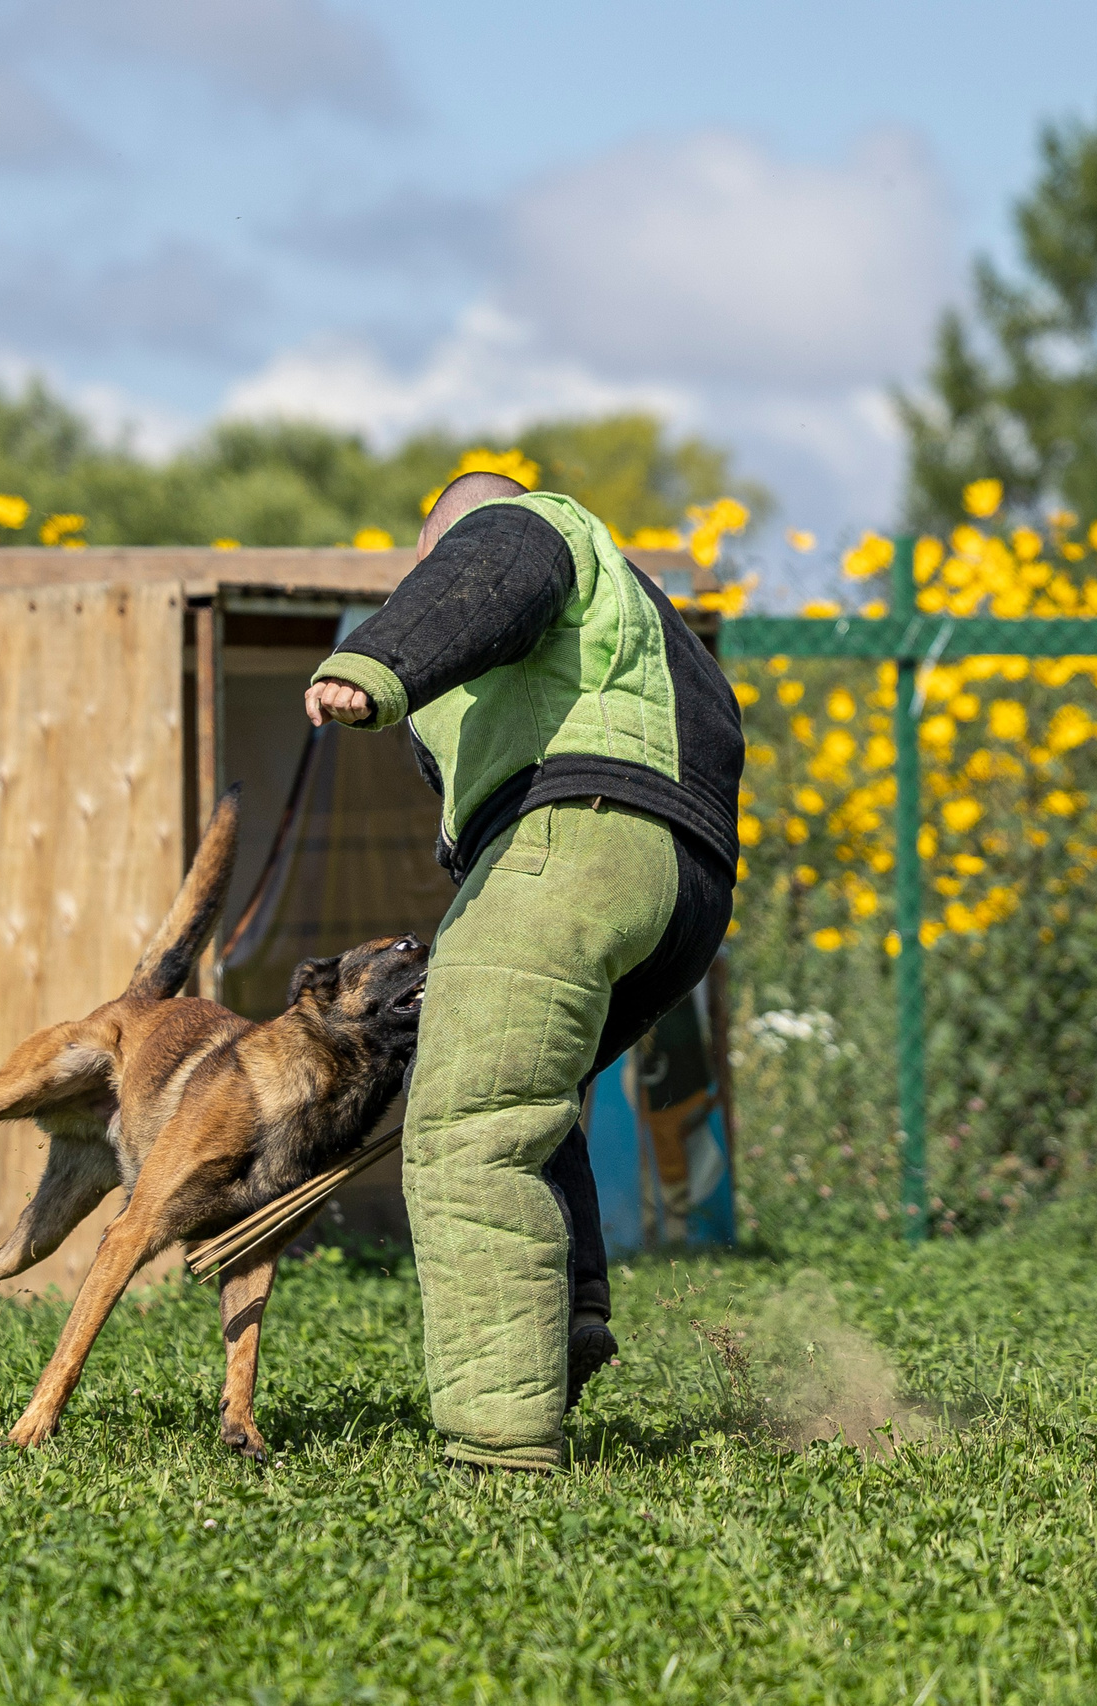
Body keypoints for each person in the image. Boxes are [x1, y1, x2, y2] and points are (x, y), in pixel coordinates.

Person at [304, 470, 743, 1472]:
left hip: (578, 837)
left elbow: (493, 564)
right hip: (680, 883)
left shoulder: (523, 529)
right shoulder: (632, 623)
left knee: (467, 1129)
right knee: (529, 1095)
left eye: (426, 572)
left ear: (432, 558)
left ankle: (496, 1447)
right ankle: (571, 1309)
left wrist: (376, 659)